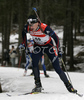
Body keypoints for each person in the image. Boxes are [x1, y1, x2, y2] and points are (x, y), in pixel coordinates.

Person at [20, 15, 77, 93]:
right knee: (34, 63)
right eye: (29, 24)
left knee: (57, 67)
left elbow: (56, 38)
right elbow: (23, 34)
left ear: (37, 23)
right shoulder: (27, 28)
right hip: (38, 46)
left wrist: (59, 50)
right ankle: (38, 85)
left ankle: (69, 86)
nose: (30, 27)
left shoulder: (44, 28)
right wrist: (25, 45)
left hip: (48, 46)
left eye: (32, 24)